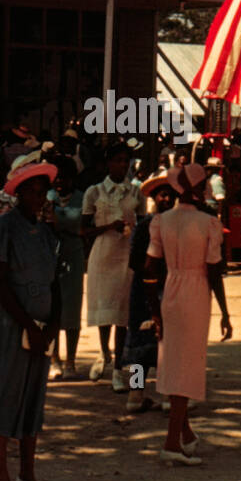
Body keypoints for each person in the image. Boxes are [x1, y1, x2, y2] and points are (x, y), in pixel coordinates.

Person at [0, 162, 61, 481]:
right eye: (34, 192)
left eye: (43, 193)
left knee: (33, 399)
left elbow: (57, 283)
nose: (39, 199)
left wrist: (52, 326)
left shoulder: (48, 234)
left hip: (42, 327)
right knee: (5, 396)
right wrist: (27, 325)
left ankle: (28, 475)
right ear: (19, 193)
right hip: (14, 325)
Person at [145, 163, 231, 465]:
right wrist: (225, 311)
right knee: (187, 365)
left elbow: (149, 268)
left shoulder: (161, 220)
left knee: (172, 360)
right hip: (196, 292)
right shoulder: (208, 223)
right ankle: (171, 443)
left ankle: (186, 434)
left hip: (170, 289)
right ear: (195, 190)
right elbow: (214, 271)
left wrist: (155, 310)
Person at [82, 143, 141, 389]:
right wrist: (109, 226)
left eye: (125, 161)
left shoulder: (136, 193)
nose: (122, 165)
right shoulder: (94, 193)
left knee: (121, 314)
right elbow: (84, 230)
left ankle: (118, 367)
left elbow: (142, 224)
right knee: (105, 311)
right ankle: (104, 352)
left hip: (125, 255)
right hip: (102, 255)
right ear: (108, 163)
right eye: (117, 160)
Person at [124, 170, 178, 413]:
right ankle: (136, 395)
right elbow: (134, 260)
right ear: (154, 198)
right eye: (162, 196)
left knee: (166, 343)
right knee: (141, 345)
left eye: (170, 196)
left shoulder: (177, 225)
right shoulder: (144, 225)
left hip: (167, 286)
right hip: (145, 288)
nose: (166, 200)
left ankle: (165, 394)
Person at [46, 158, 86, 380]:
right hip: (50, 258)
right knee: (51, 309)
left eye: (64, 178)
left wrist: (59, 221)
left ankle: (71, 359)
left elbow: (80, 225)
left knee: (72, 309)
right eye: (57, 178)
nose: (60, 182)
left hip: (74, 256)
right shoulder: (48, 197)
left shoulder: (82, 198)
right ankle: (54, 359)